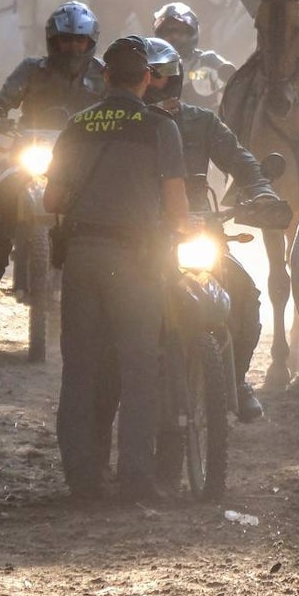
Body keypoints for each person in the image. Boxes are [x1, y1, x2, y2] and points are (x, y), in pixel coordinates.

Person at [42, 35, 189, 501]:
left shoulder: (76, 126)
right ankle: (135, 477)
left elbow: (50, 200)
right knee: (139, 365)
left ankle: (82, 477)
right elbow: (178, 209)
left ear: (104, 76)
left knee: (80, 366)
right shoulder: (160, 127)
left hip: (82, 256)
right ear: (147, 79)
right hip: (136, 261)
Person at [143, 36, 278, 421]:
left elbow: (242, 160)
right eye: (148, 77)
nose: (156, 84)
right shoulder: (128, 124)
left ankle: (235, 380)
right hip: (142, 234)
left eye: (163, 76)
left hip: (200, 230)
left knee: (245, 295)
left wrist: (263, 191)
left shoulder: (201, 121)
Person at [0, 1, 104, 341]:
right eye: (66, 40)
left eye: (80, 41)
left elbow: (122, 109)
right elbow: (2, 99)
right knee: (1, 227)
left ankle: (109, 315)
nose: (73, 47)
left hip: (81, 166)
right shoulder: (32, 70)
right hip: (29, 155)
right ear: (53, 40)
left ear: (91, 42)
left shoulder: (102, 76)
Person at [153, 2, 234, 112]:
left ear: (192, 32)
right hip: (167, 124)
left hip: (208, 124)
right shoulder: (152, 68)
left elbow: (237, 84)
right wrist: (160, 106)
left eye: (179, 31)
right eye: (168, 32)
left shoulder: (208, 61)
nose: (173, 37)